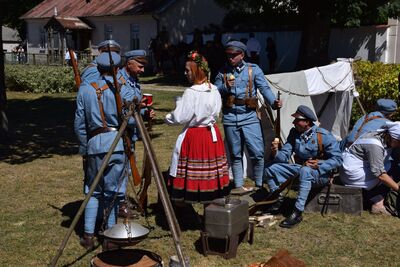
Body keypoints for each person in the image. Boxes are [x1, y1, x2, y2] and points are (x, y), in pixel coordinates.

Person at [74, 51, 130, 249]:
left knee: (92, 191)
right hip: (116, 145)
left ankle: (88, 236)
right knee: (112, 192)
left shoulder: (85, 89)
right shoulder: (121, 89)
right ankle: (110, 237)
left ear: (98, 68)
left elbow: (80, 124)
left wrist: (84, 148)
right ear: (116, 69)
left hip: (95, 146)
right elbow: (130, 118)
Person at [214, 40, 281, 193]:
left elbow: (264, 89)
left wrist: (273, 102)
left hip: (250, 116)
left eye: (234, 55)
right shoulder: (222, 71)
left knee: (257, 153)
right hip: (230, 117)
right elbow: (215, 90)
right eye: (228, 55)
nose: (230, 58)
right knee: (235, 154)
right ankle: (238, 186)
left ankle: (259, 186)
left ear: (242, 54)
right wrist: (225, 87)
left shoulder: (253, 70)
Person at [165, 51, 230, 204]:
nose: (185, 73)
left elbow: (181, 117)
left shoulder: (191, 92)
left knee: (197, 169)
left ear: (196, 71)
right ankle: (211, 203)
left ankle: (191, 203)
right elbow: (217, 112)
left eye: (188, 70)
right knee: (210, 170)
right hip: (212, 135)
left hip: (197, 136)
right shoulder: (214, 89)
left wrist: (168, 118)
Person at [264, 105, 342, 228]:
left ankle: (297, 212)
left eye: (297, 120)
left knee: (305, 171)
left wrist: (320, 164)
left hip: (320, 174)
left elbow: (338, 159)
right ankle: (277, 201)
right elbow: (284, 156)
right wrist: (276, 152)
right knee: (270, 168)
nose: (294, 122)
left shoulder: (323, 135)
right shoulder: (294, 133)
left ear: (307, 122)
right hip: (300, 169)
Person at [340, 121, 400, 215]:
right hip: (354, 174)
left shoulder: (382, 137)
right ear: (392, 137)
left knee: (392, 166)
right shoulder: (374, 144)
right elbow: (380, 174)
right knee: (395, 170)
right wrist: (398, 188)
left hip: (357, 170)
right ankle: (377, 202)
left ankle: (372, 195)